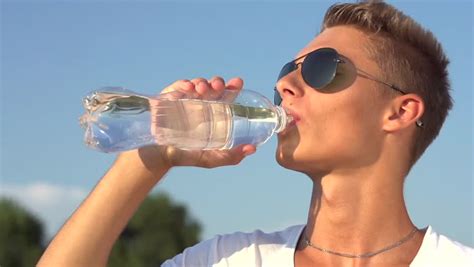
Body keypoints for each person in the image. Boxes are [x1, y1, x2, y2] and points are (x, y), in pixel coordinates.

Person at [38, 1, 473, 266]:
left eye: (323, 69)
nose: (285, 85)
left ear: (399, 112)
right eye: (289, 70)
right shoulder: (228, 260)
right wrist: (151, 152)